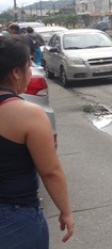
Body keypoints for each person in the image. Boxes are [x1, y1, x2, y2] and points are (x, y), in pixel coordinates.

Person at [0, 35, 74, 246]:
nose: (30, 72)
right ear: (16, 72)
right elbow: (50, 171)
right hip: (13, 217)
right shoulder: (27, 114)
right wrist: (66, 211)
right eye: (28, 66)